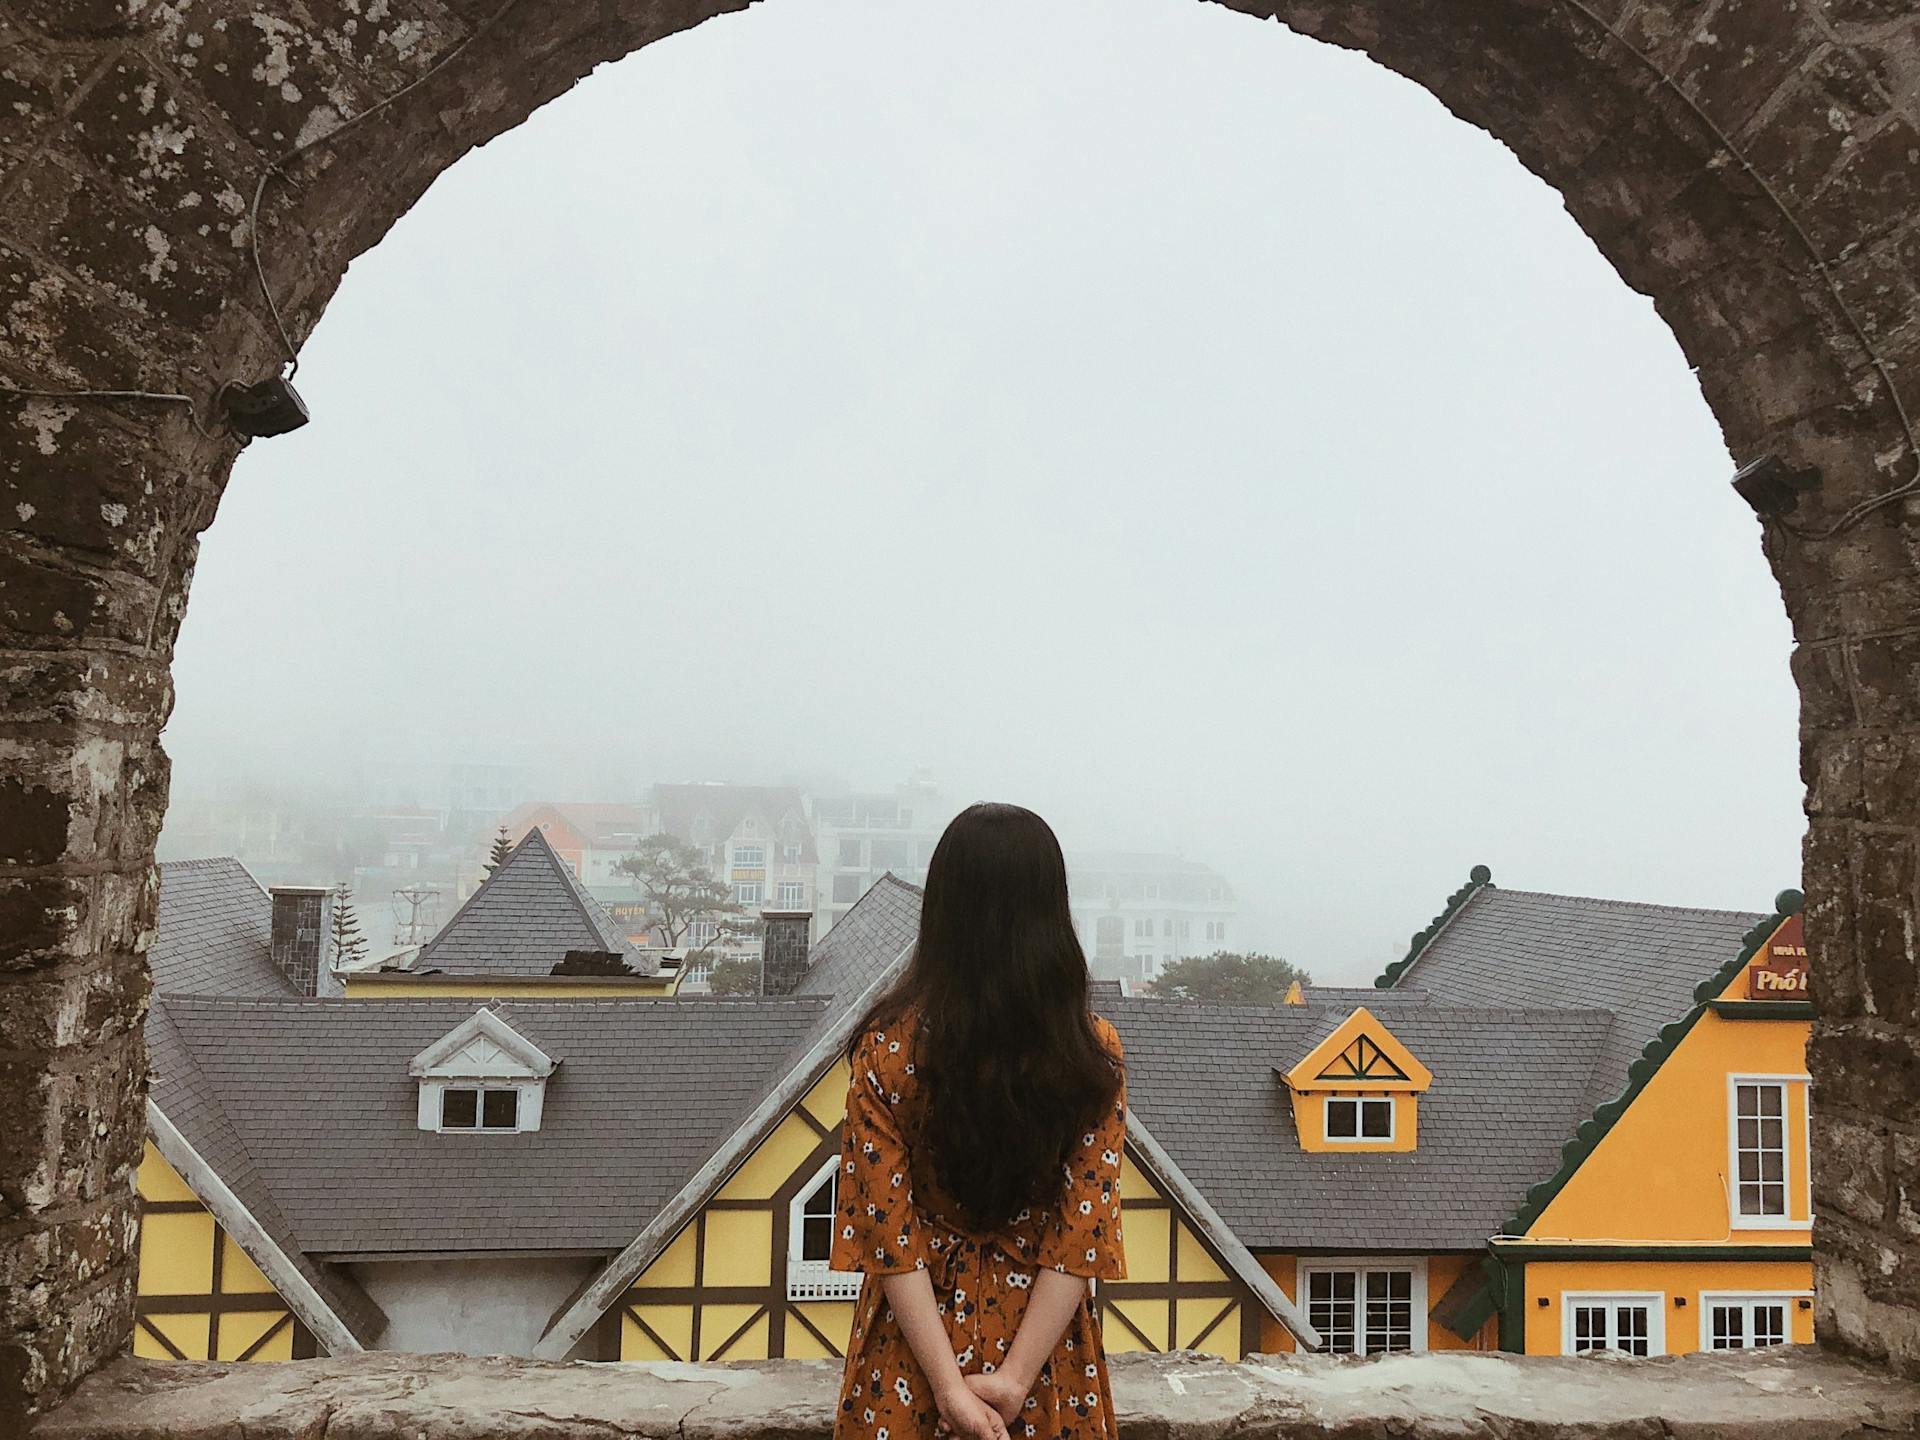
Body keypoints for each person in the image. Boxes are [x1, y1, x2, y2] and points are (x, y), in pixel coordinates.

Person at [831, 803, 1126, 1440]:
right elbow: (1082, 1236)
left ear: (942, 909)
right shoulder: (1089, 1054)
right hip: (1046, 1362)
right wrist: (1016, 1380)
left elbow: (889, 1234)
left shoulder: (886, 1048)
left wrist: (944, 1386)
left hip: (908, 1355)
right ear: (1051, 910)